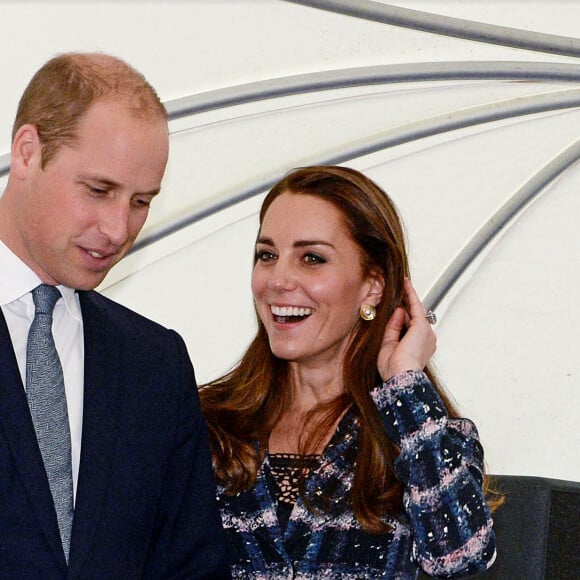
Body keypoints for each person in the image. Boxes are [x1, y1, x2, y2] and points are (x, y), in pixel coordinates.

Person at [199, 165, 497, 578]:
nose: (278, 279)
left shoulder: (419, 434)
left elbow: (463, 555)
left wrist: (406, 381)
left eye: (312, 258)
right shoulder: (204, 423)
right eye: (267, 255)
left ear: (372, 285)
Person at [0, 52, 230, 578]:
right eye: (99, 191)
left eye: (141, 201)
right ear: (27, 153)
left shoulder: (156, 364)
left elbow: (192, 565)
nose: (118, 228)